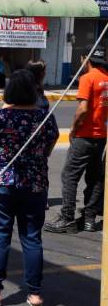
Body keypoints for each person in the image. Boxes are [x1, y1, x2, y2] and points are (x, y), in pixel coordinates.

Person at [0, 69, 58, 306]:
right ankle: (34, 294)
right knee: (32, 237)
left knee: (0, 236)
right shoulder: (45, 118)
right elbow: (49, 149)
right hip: (35, 184)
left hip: (1, 183)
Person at [44, 49, 108, 234]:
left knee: (69, 176)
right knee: (94, 177)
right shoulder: (106, 78)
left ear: (85, 59)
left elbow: (82, 109)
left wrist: (73, 129)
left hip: (85, 136)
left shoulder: (88, 78)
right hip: (100, 137)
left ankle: (67, 218)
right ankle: (89, 218)